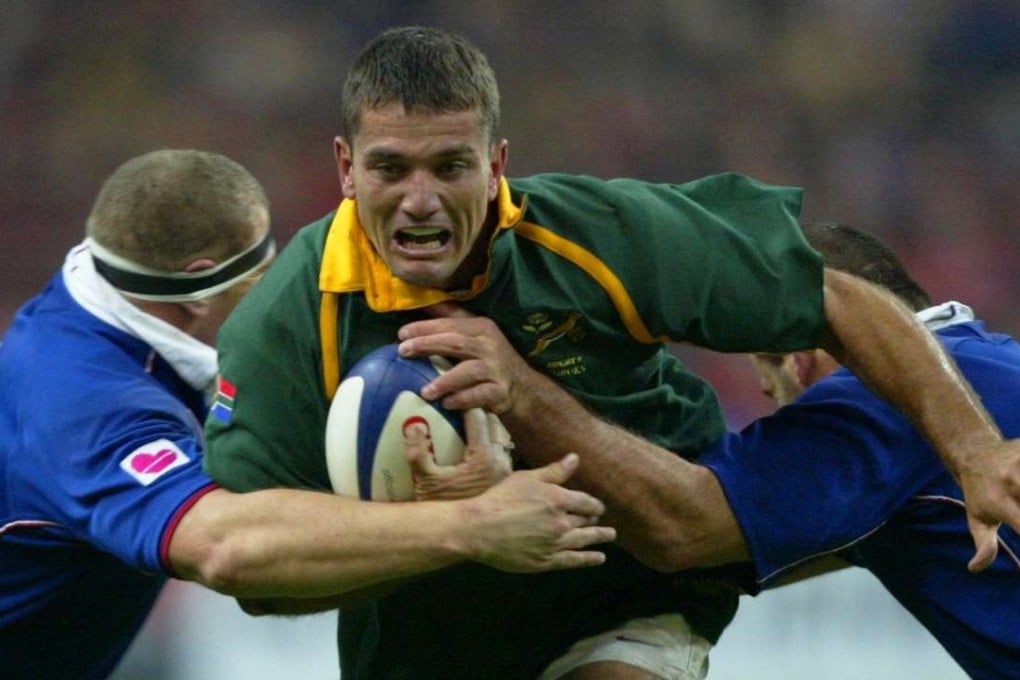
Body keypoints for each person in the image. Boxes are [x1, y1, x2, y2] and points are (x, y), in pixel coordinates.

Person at [205, 26, 1019, 680]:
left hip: (631, 599)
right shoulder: (285, 323)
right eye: (391, 167)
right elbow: (249, 565)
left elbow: (831, 291)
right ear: (346, 168)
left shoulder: (597, 237)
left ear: (496, 166)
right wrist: (458, 527)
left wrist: (977, 451)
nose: (421, 198)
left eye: (451, 166)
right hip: (428, 646)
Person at [0, 149, 615, 680]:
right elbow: (221, 544)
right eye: (265, 275)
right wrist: (473, 523)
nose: (277, 298)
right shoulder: (89, 407)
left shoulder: (99, 299)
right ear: (198, 286)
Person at [404, 223, 1020, 679]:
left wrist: (521, 396)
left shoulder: (870, 409)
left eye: (767, 362)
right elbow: (736, 557)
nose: (763, 388)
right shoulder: (995, 362)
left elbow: (685, 529)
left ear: (801, 350)